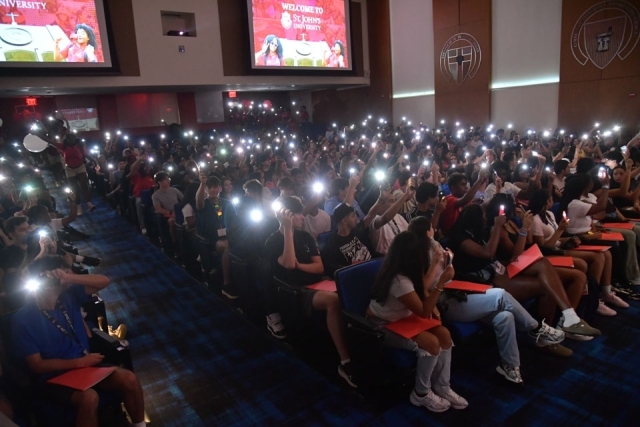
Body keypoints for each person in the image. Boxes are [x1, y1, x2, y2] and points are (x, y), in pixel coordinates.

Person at [407, 217, 563, 384]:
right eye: (431, 228)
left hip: (457, 290)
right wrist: (436, 266)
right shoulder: (415, 255)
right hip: (444, 302)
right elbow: (423, 286)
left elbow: (450, 273)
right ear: (426, 232)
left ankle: (509, 366)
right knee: (500, 295)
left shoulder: (435, 245)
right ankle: (536, 328)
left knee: (505, 317)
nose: (434, 229)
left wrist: (448, 262)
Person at [448, 204, 601, 357]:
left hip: (500, 269)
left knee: (543, 265)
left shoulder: (479, 232)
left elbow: (516, 253)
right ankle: (545, 338)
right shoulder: (460, 238)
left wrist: (523, 228)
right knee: (545, 287)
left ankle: (569, 316)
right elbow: (488, 253)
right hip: (485, 280)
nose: (485, 218)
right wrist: (498, 227)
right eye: (482, 216)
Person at [11, 256, 146, 427]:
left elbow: (104, 281)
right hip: (54, 378)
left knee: (129, 379)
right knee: (89, 398)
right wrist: (79, 363)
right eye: (64, 272)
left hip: (85, 367)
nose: (69, 274)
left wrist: (68, 278)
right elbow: (37, 365)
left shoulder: (68, 296)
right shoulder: (23, 319)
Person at [368, 232, 467, 412]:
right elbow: (423, 311)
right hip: (382, 325)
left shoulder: (408, 271)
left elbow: (422, 289)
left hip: (402, 318)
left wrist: (436, 265)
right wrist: (441, 282)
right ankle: (421, 393)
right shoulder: (399, 281)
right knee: (431, 343)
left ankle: (442, 386)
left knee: (444, 334)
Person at [264, 197, 355, 387]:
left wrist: (300, 266)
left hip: (317, 282)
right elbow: (289, 264)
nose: (302, 217)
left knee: (351, 292)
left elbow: (319, 267)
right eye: (297, 214)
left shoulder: (305, 237)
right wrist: (287, 230)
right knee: (333, 301)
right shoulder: (273, 241)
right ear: (286, 216)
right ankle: (345, 362)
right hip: (296, 290)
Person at [54, 134, 95, 215]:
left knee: (85, 185)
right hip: (70, 169)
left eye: (72, 138)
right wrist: (38, 135)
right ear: (66, 140)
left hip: (80, 166)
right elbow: (50, 141)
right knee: (74, 188)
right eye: (69, 139)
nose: (71, 140)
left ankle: (89, 203)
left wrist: (94, 161)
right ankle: (78, 206)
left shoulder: (80, 145)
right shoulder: (63, 146)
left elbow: (85, 154)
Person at [151, 171, 183, 246]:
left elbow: (183, 200)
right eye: (165, 179)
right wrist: (171, 212)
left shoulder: (174, 190)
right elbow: (158, 209)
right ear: (159, 182)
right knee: (172, 221)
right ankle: (175, 243)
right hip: (167, 214)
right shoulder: (156, 195)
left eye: (168, 179)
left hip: (178, 210)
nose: (168, 181)